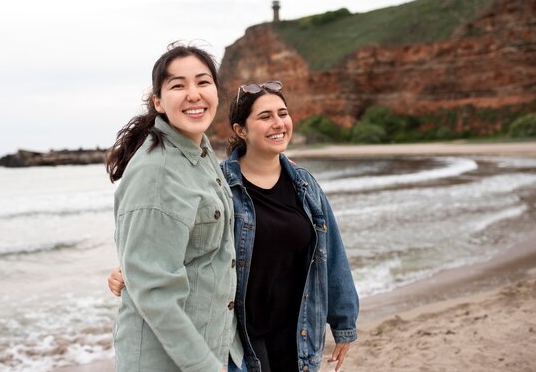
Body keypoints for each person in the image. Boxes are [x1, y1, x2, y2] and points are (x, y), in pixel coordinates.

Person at [109, 80, 359, 372]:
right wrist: (130, 269)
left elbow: (331, 254)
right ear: (241, 130)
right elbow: (177, 241)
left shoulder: (305, 185)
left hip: (297, 330)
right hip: (237, 337)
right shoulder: (217, 184)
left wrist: (344, 324)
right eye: (265, 117)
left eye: (283, 113)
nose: (278, 123)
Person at [106, 44, 244, 372]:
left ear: (216, 91)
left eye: (202, 82)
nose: (193, 94)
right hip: (174, 361)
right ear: (158, 101)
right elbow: (155, 294)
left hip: (218, 344)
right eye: (178, 85)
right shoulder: (156, 170)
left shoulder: (200, 152)